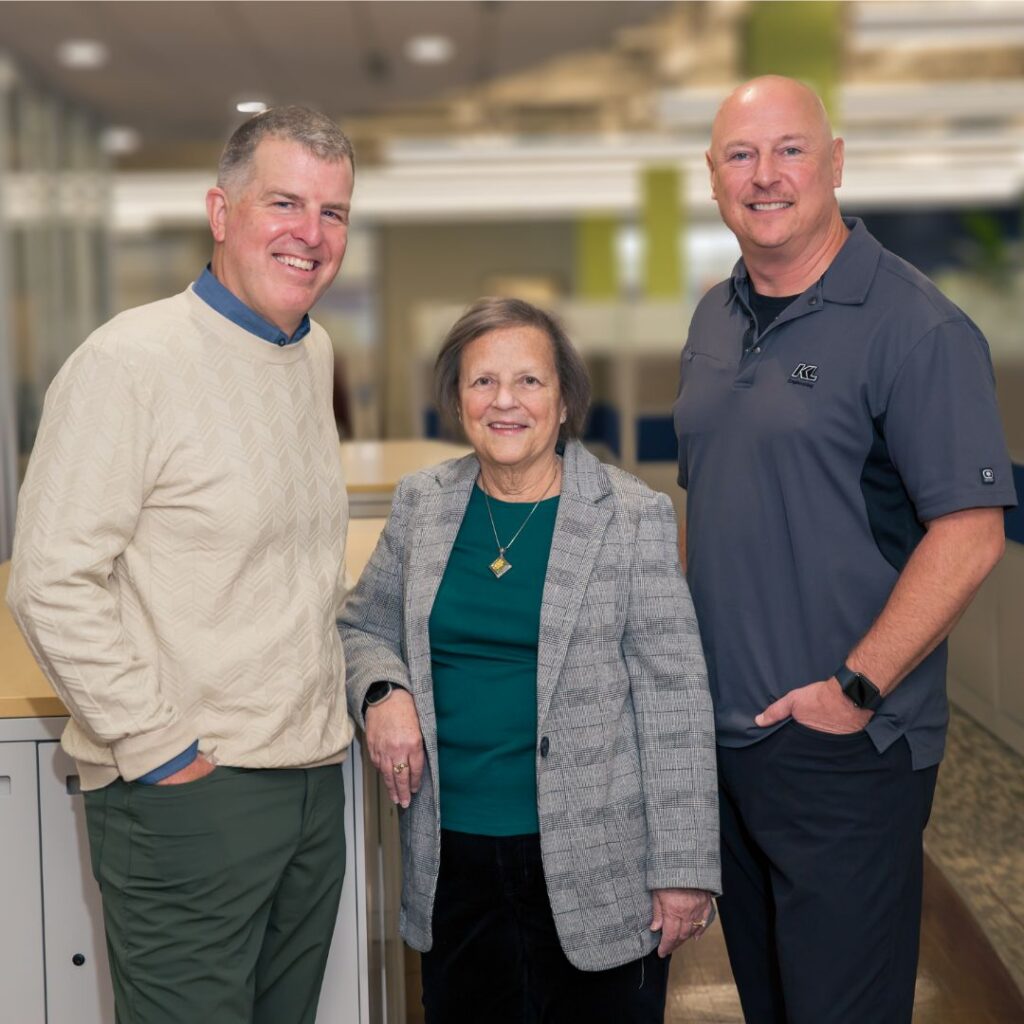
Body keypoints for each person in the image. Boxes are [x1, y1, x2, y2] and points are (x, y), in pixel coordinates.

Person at [673, 75, 1018, 1024]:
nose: (766, 174)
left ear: (835, 164)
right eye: (740, 154)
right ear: (712, 177)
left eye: (790, 149)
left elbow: (971, 532)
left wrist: (854, 689)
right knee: (772, 1003)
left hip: (847, 749)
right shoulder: (713, 317)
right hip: (729, 741)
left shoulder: (919, 328)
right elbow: (709, 505)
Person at [7, 106, 356, 1024]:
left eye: (334, 212)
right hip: (194, 794)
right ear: (219, 210)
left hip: (311, 782)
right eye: (284, 203)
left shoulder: (311, 352)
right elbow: (49, 579)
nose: (311, 235)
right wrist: (160, 748)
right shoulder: (130, 362)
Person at [339, 297, 719, 1023]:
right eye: (482, 382)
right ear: (456, 399)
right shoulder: (424, 504)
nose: (504, 401)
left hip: (599, 863)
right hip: (454, 860)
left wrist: (683, 871)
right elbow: (362, 626)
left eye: (529, 382)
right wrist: (384, 690)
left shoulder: (630, 515)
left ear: (567, 398)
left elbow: (675, 697)